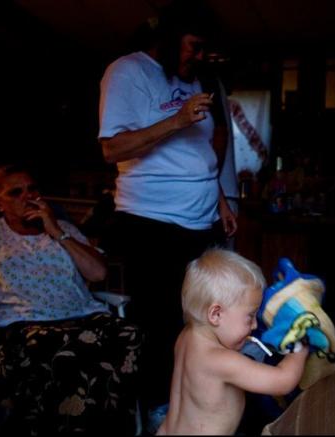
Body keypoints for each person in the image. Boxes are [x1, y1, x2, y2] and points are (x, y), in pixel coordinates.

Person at [96, 0, 237, 423]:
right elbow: (112, 148)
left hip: (202, 220)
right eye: (194, 46)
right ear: (171, 37)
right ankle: (161, 413)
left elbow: (199, 151)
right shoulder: (127, 72)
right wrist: (175, 121)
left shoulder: (193, 79)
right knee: (160, 326)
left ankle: (197, 404)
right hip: (150, 223)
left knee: (204, 319)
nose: (200, 56)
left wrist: (220, 199)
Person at [0, 164, 143, 435]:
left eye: (32, 189)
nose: (28, 196)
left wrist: (57, 231)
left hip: (81, 314)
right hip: (20, 322)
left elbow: (98, 273)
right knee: (47, 344)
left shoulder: (64, 228)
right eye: (16, 192)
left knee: (128, 333)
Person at [157, 248, 308, 435]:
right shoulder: (220, 361)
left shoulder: (185, 337)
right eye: (250, 316)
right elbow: (282, 381)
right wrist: (300, 350)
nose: (254, 325)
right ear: (216, 314)